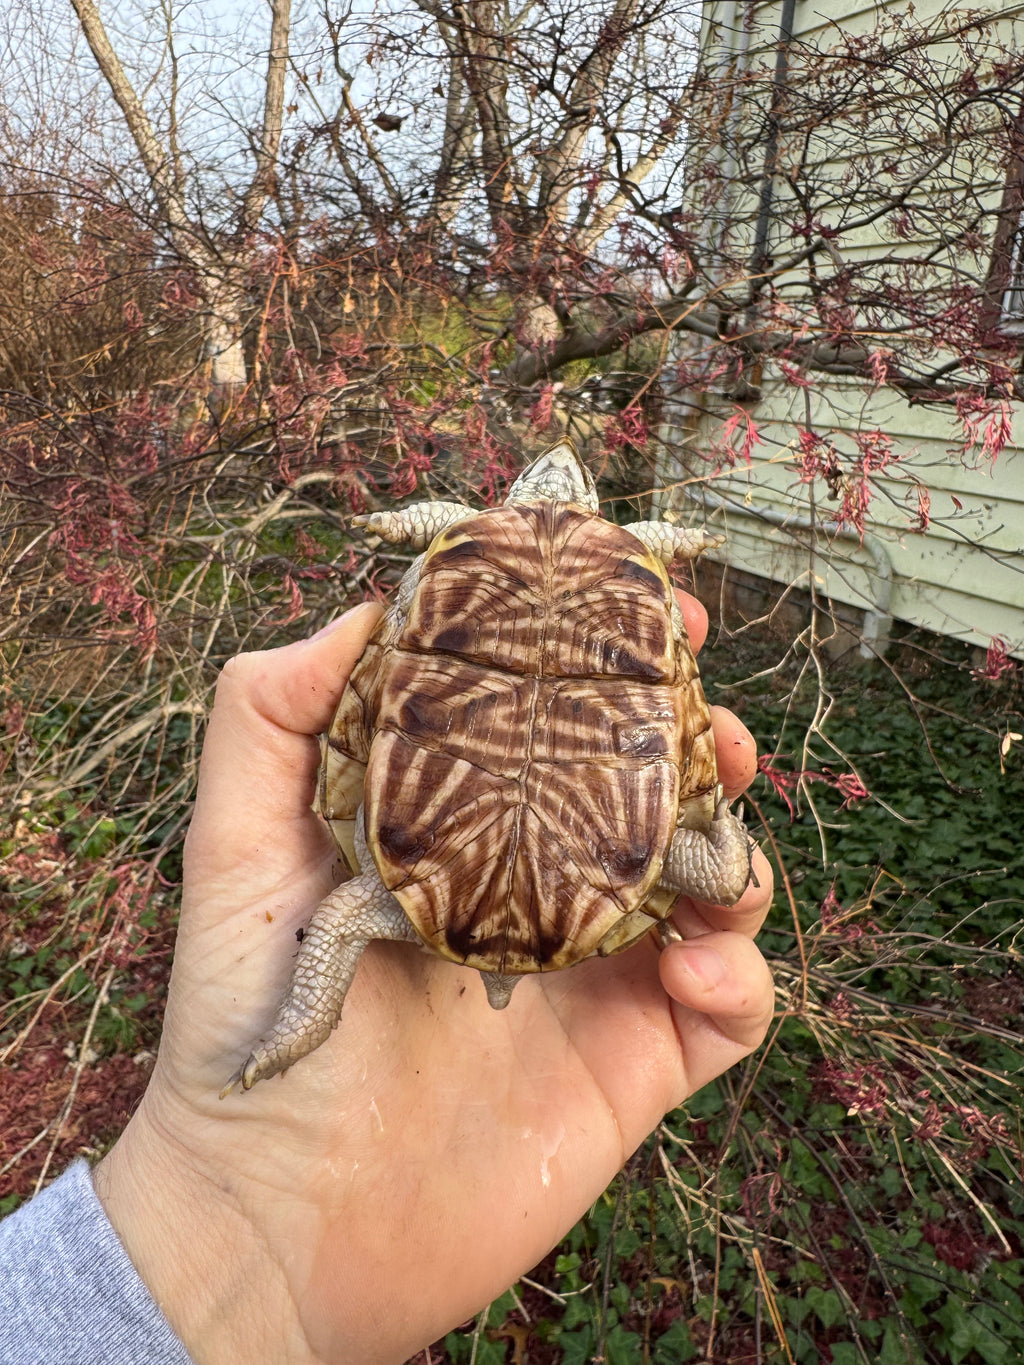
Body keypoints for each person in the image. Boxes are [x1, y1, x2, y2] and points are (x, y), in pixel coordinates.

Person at [0, 597, 774, 1365]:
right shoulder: (631, 592)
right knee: (719, 869)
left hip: (432, 877)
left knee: (347, 916)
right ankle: (303, 1032)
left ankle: (303, 1027)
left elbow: (338, 910)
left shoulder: (456, 564)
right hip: (594, 885)